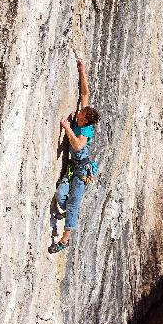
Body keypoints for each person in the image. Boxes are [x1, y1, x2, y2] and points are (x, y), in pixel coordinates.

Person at [49, 59, 100, 253]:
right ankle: (67, 219)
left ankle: (64, 239)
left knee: (72, 206)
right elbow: (85, 93)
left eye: (81, 114)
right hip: (73, 168)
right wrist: (82, 71)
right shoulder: (83, 114)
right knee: (61, 196)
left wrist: (67, 128)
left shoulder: (84, 131)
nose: (78, 112)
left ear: (85, 120)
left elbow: (78, 146)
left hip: (81, 172)